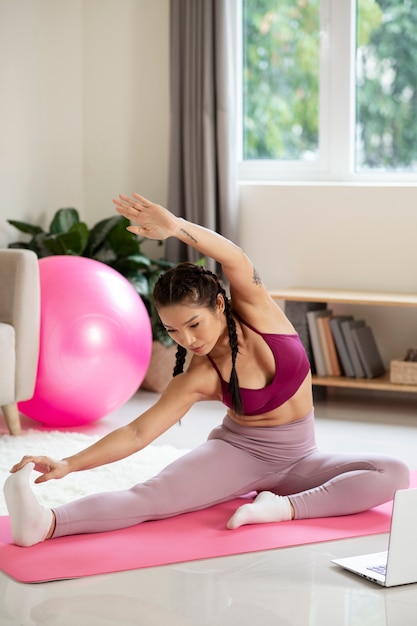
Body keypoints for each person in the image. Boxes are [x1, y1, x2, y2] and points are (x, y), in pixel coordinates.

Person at [4, 192, 410, 547]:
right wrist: (70, 464)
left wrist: (176, 227)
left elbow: (233, 256)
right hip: (239, 454)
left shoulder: (257, 311)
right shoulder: (200, 375)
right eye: (173, 331)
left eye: (194, 324)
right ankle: (47, 523)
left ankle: (281, 509)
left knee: (394, 472)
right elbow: (137, 431)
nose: (188, 340)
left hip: (301, 457)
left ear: (219, 304)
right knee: (152, 497)